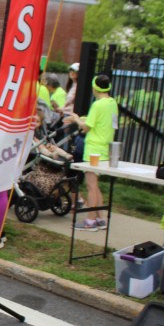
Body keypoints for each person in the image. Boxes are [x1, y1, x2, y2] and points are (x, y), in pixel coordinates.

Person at [64, 74, 118, 230]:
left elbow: (87, 127)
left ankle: (90, 220)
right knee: (95, 184)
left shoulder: (97, 105)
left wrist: (76, 120)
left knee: (91, 185)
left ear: (94, 87)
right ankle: (100, 218)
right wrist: (81, 118)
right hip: (105, 148)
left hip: (94, 148)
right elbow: (100, 121)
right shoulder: (112, 103)